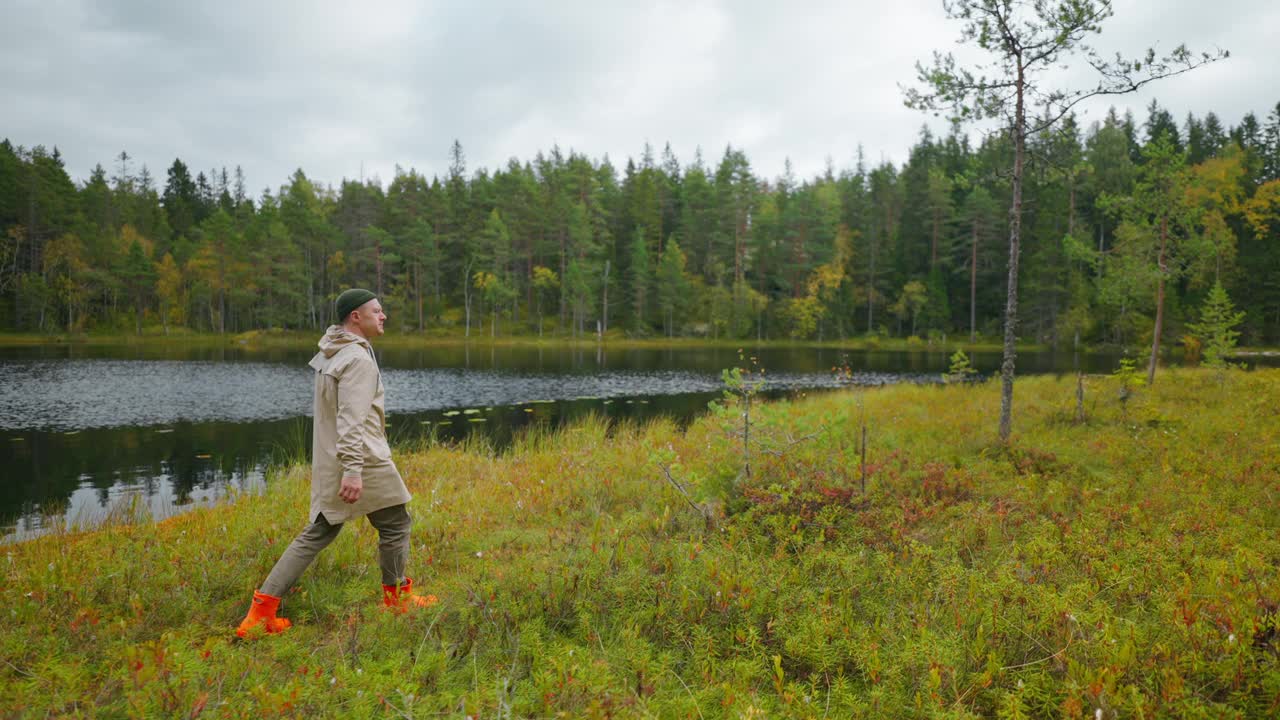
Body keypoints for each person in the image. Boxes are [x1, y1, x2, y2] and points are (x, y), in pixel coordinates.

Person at [237, 288, 436, 638]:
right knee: (395, 524)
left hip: (337, 458)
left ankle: (261, 610)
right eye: (376, 310)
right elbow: (351, 420)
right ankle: (397, 600)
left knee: (322, 530)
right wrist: (354, 470)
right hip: (362, 457)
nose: (383, 315)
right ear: (355, 317)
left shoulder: (334, 352)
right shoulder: (356, 360)